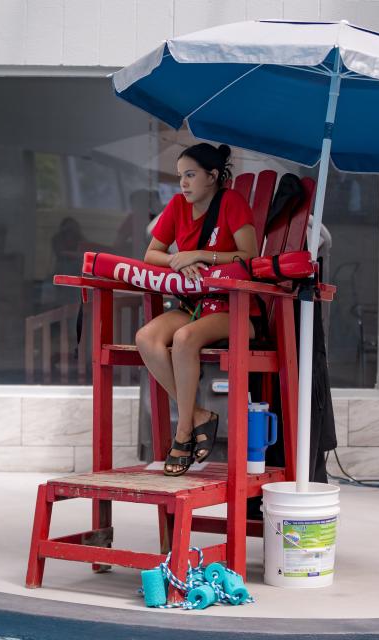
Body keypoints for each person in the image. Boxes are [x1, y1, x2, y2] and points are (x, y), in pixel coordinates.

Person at [135, 143, 259, 476]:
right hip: (194, 303)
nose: (183, 184)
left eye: (190, 175)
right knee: (146, 337)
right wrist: (179, 260)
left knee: (185, 337)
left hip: (234, 309)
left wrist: (202, 255)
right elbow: (151, 255)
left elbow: (249, 255)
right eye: (180, 177)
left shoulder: (231, 203)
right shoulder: (176, 206)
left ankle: (183, 433)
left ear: (213, 176)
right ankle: (199, 415)